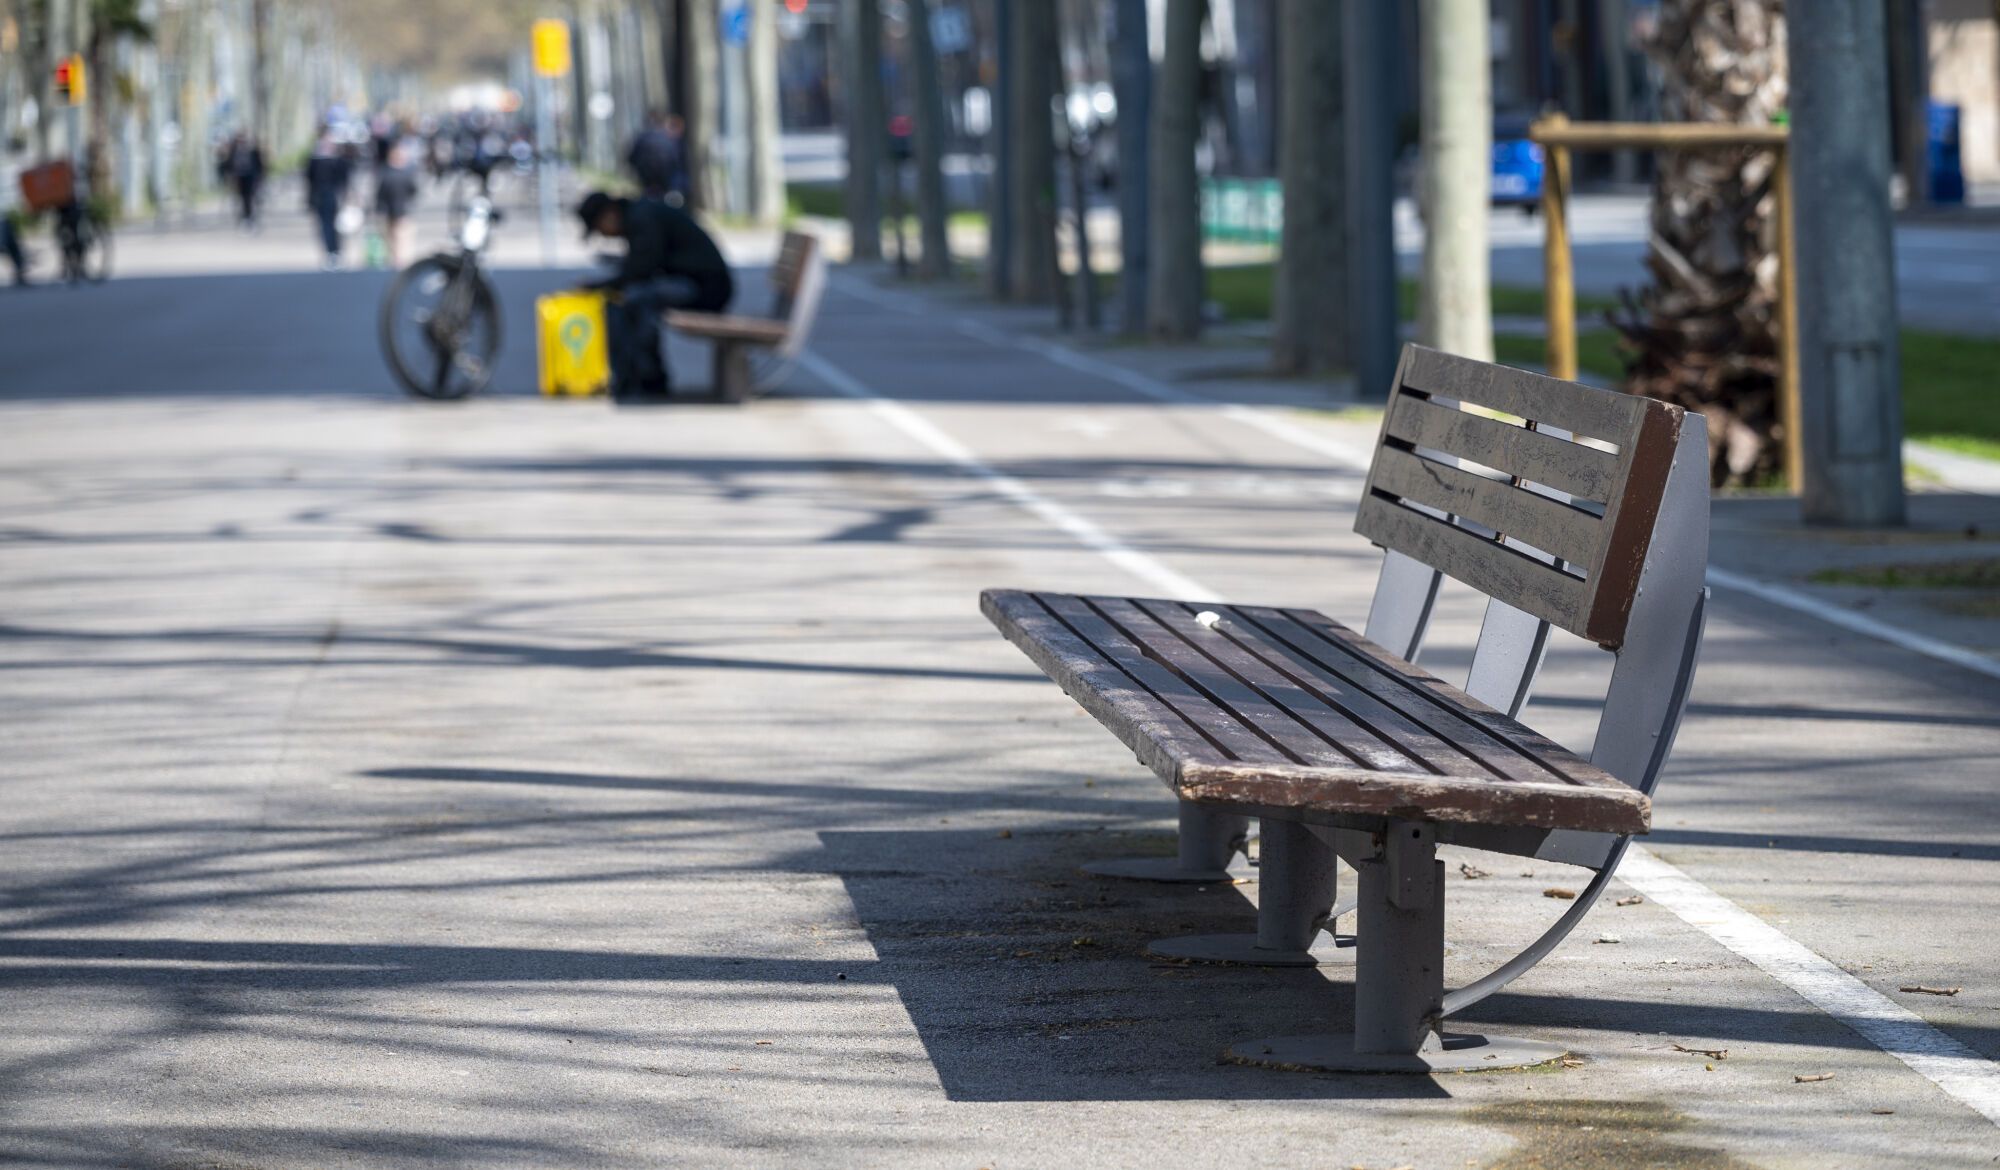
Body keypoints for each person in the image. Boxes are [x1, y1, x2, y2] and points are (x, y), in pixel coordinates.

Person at [576, 189, 733, 401]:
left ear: (609, 214)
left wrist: (597, 287)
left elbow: (641, 270)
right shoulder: (639, 214)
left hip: (706, 288)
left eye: (599, 229)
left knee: (637, 300)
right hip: (696, 282)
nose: (604, 235)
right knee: (629, 300)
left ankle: (649, 378)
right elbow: (642, 265)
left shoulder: (641, 218)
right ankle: (635, 377)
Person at [304, 130, 352, 270]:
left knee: (337, 226)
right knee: (325, 226)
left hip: (335, 198)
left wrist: (346, 196)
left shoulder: (339, 160)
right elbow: (309, 181)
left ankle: (337, 251)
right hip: (320, 197)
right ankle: (329, 252)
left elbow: (344, 180)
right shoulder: (314, 160)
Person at [626, 110, 688, 205]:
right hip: (667, 183)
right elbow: (679, 164)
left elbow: (631, 158)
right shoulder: (672, 141)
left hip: (647, 181)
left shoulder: (642, 137)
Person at [373, 142, 419, 269]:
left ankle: (399, 261)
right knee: (396, 238)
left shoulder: (388, 172)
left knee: (400, 238)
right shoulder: (399, 173)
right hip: (396, 210)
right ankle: (399, 261)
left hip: (398, 211)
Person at [222, 132, 266, 232]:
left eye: (244, 140)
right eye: (240, 140)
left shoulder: (253, 151)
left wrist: (259, 177)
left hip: (250, 177)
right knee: (241, 198)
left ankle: (249, 216)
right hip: (238, 178)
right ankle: (243, 216)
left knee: (249, 197)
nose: (242, 142)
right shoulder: (233, 151)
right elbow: (228, 165)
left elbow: (259, 165)